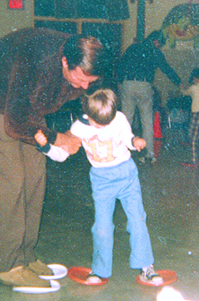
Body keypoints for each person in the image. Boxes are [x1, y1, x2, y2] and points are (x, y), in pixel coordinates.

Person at [0, 27, 108, 288]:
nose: (86, 86)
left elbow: (88, 106)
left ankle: (27, 255)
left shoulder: (80, 68)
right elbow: (15, 124)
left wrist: (95, 131)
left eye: (91, 80)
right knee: (11, 184)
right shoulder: (37, 62)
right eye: (81, 78)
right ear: (65, 61)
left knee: (34, 178)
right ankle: (9, 266)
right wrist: (58, 138)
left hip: (26, 102)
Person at [34, 88, 163, 285]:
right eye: (100, 124)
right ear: (88, 115)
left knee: (138, 220)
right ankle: (100, 270)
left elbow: (127, 137)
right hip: (101, 180)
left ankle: (146, 267)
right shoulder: (78, 128)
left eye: (108, 122)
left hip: (126, 174)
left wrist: (135, 140)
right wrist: (46, 148)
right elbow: (62, 155)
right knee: (102, 227)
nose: (105, 127)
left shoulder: (118, 118)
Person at [117, 30, 181, 164]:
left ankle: (120, 153)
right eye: (160, 44)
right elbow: (166, 68)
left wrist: (120, 82)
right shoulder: (155, 52)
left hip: (128, 84)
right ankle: (150, 154)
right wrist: (178, 81)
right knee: (147, 120)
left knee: (125, 120)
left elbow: (120, 64)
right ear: (155, 41)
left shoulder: (133, 47)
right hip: (145, 85)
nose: (159, 47)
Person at [180, 67, 199, 167]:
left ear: (196, 78)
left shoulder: (193, 88)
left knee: (193, 136)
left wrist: (181, 87)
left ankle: (193, 160)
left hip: (196, 113)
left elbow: (185, 93)